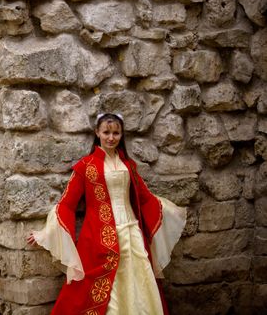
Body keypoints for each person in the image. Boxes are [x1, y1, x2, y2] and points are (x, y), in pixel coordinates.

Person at [27, 113, 186, 315]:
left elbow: (145, 198)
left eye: (116, 133)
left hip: (132, 233)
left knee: (138, 279)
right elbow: (67, 204)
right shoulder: (86, 166)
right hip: (98, 236)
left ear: (121, 135)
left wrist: (172, 213)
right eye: (106, 132)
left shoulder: (129, 165)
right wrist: (47, 232)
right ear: (97, 133)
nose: (111, 138)